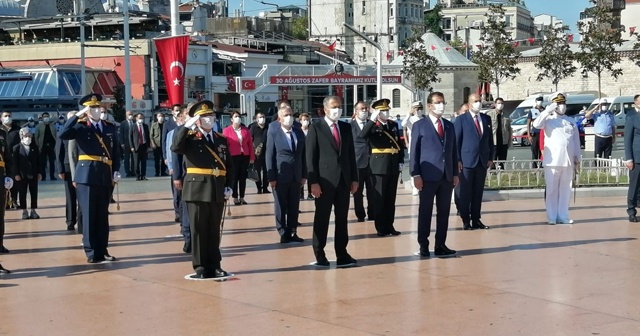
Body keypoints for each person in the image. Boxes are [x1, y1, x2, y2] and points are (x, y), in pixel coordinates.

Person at [171, 100, 234, 279]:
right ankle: (200, 267)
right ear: (197, 120)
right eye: (205, 116)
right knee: (198, 230)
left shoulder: (220, 139)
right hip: (197, 189)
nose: (210, 119)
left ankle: (215, 264)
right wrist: (186, 126)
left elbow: (229, 165)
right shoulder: (189, 137)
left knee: (214, 229)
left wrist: (229, 185)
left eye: (211, 116)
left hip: (216, 188)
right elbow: (175, 147)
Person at [59, 93, 121, 263]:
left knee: (102, 215)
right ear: (86, 110)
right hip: (86, 175)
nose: (96, 110)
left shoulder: (109, 127)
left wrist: (116, 170)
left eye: (97, 107)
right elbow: (63, 134)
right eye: (91, 108)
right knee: (88, 214)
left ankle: (103, 249)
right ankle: (92, 251)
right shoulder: (80, 127)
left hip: (105, 174)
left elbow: (116, 152)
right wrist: (79, 115)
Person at [306, 95, 358, 267]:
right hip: (324, 181)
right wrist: (313, 182)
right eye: (334, 107)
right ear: (326, 109)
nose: (337, 110)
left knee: (342, 218)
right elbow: (310, 157)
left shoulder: (345, 127)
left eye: (339, 106)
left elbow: (351, 154)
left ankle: (342, 253)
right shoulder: (316, 127)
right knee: (322, 218)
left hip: (344, 181)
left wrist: (354, 179)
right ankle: (320, 253)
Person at [410, 91, 458, 258]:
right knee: (425, 211)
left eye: (443, 102)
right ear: (430, 106)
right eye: (438, 102)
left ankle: (441, 244)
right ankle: (423, 244)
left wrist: (455, 173)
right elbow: (414, 152)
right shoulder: (420, 125)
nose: (441, 105)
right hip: (427, 176)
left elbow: (453, 151)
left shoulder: (449, 125)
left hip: (446, 176)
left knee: (444, 211)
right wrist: (415, 174)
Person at [533, 92, 580, 224]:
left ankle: (563, 215)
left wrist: (578, 158)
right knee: (552, 189)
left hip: (569, 160)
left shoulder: (570, 121)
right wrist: (547, 111)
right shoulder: (548, 120)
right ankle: (552, 216)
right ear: (553, 104)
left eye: (563, 103)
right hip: (553, 161)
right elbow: (536, 125)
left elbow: (575, 141)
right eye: (559, 103)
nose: (562, 106)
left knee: (566, 189)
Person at [360, 98, 404, 236]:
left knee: (391, 198)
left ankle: (390, 225)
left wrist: (401, 160)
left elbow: (399, 145)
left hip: (392, 164)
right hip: (378, 165)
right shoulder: (372, 125)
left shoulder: (392, 125)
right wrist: (372, 119)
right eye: (382, 110)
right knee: (380, 198)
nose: (386, 112)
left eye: (387, 109)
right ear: (377, 112)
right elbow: (363, 135)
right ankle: (381, 227)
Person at [265, 106, 307, 243]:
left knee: (294, 205)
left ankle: (293, 231)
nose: (289, 117)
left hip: (296, 175)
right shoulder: (274, 133)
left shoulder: (298, 132)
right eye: (286, 115)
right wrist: (271, 177)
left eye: (290, 114)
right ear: (280, 118)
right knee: (281, 205)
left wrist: (304, 174)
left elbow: (303, 154)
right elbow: (269, 155)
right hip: (280, 175)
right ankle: (283, 232)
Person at [455, 93, 494, 230]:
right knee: (465, 192)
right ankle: (466, 219)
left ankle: (476, 219)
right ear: (470, 104)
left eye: (480, 101)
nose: (479, 103)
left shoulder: (486, 119)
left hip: (482, 161)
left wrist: (490, 157)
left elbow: (490, 140)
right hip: (467, 161)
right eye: (476, 101)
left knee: (478, 192)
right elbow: (457, 142)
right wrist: (458, 159)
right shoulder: (461, 120)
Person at [166, 106, 191, 253]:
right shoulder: (178, 132)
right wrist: (176, 175)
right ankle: (187, 235)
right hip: (184, 174)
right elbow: (175, 155)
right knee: (185, 206)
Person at [223, 111, 255, 205]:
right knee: (234, 177)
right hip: (233, 156)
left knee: (243, 177)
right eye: (236, 116)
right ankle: (235, 197)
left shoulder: (245, 130)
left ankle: (242, 197)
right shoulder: (227, 130)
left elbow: (250, 144)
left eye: (239, 116)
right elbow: (225, 145)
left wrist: (252, 157)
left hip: (244, 156)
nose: (238, 118)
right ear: (231, 119)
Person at [350, 102, 374, 222]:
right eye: (361, 109)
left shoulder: (372, 124)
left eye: (366, 108)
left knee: (372, 191)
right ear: (356, 111)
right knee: (357, 192)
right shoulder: (350, 126)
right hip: (357, 163)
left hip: (372, 162)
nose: (364, 110)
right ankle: (360, 214)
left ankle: (372, 213)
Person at [12, 127, 41, 220]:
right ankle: (24, 211)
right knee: (22, 193)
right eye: (25, 136)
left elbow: (39, 161)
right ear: (21, 136)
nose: (28, 138)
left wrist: (39, 172)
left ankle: (33, 210)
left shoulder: (34, 147)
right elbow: (15, 163)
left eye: (29, 136)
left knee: (34, 193)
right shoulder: (16, 148)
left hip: (33, 174)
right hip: (21, 175)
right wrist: (16, 174)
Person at [56, 111, 78, 231]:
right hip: (67, 168)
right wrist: (60, 169)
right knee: (70, 196)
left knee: (82, 196)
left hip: (81, 166)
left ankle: (82, 220)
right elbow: (58, 153)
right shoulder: (62, 133)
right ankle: (70, 221)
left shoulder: (80, 132)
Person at [162, 104, 183, 223]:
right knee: (176, 190)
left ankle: (182, 212)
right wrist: (166, 159)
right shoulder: (169, 126)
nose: (178, 113)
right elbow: (166, 143)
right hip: (173, 161)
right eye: (176, 111)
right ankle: (177, 212)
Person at [402, 101, 424, 196]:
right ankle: (414, 187)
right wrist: (409, 114)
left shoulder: (424, 119)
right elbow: (403, 124)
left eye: (420, 108)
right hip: (413, 146)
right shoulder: (411, 119)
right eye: (417, 109)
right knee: (413, 166)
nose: (419, 111)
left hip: (423, 147)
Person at [625, 95, 640, 222]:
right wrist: (629, 158)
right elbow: (627, 139)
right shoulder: (631, 116)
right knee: (634, 185)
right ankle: (631, 210)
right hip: (637, 156)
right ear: (636, 102)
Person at [486, 98, 513, 169]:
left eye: (502, 103)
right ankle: (493, 172)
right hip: (493, 141)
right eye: (498, 103)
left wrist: (509, 141)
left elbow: (509, 129)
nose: (500, 105)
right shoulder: (489, 115)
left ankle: (501, 171)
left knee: (502, 159)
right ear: (495, 104)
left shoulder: (506, 115)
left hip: (503, 141)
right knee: (492, 159)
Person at [249, 112, 269, 194]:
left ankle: (265, 188)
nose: (262, 118)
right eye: (260, 117)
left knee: (266, 172)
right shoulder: (253, 128)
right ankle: (259, 188)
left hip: (267, 153)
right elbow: (250, 140)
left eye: (263, 116)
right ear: (256, 119)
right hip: (257, 154)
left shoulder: (268, 127)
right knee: (257, 172)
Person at [34, 112, 57, 181]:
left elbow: (55, 135)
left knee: (52, 162)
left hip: (51, 146)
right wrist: (38, 146)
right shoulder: (39, 126)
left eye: (47, 116)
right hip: (42, 147)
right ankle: (43, 176)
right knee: (42, 163)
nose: (46, 118)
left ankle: (52, 176)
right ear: (42, 118)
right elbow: (36, 137)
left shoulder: (52, 126)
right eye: (44, 116)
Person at [130, 113, 150, 181]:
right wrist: (132, 146)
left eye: (142, 118)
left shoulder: (145, 126)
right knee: (136, 162)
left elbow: (147, 136)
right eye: (139, 118)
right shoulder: (133, 126)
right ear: (136, 118)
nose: (141, 119)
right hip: (136, 146)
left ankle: (143, 175)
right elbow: (130, 137)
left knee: (144, 162)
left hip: (144, 146)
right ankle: (137, 175)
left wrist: (148, 146)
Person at [299, 113, 313, 199]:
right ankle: (300, 194)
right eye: (304, 120)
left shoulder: (311, 130)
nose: (305, 122)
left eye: (307, 120)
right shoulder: (298, 131)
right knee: (301, 175)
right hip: (301, 156)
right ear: (300, 121)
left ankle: (310, 193)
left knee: (310, 175)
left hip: (310, 155)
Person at [527, 96, 544, 167]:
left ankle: (541, 166)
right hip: (535, 133)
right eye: (538, 100)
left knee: (542, 151)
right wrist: (529, 135)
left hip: (543, 133)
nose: (539, 102)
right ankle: (534, 168)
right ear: (536, 101)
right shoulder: (532, 110)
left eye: (541, 100)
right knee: (534, 151)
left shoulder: (545, 110)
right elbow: (528, 123)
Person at [150, 112, 168, 176]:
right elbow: (151, 135)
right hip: (156, 145)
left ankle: (163, 172)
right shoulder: (154, 125)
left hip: (164, 145)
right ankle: (157, 172)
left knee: (164, 159)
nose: (161, 117)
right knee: (157, 160)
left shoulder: (166, 124)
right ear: (157, 117)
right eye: (159, 116)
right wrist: (153, 143)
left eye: (162, 116)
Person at [120, 110, 135, 177]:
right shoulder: (123, 123)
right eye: (129, 114)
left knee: (133, 158)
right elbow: (121, 134)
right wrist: (122, 143)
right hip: (126, 143)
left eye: (131, 114)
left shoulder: (134, 122)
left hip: (134, 143)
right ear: (126, 115)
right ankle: (127, 171)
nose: (130, 115)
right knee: (126, 158)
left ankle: (133, 171)